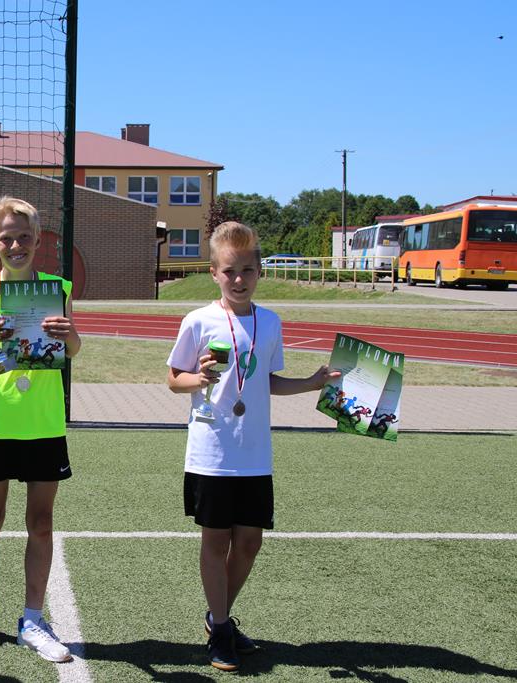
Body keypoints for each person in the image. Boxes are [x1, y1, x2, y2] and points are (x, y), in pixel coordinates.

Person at [166, 221, 340, 672]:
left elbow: (267, 381)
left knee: (249, 543)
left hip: (255, 453)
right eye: (229, 271)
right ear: (213, 272)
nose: (239, 279)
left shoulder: (271, 322)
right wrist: (198, 378)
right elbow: (174, 380)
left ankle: (217, 618)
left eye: (247, 270)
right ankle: (222, 629)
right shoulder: (198, 320)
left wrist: (312, 383)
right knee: (215, 540)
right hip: (212, 451)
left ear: (260, 271)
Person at [0, 195, 81, 663]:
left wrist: (69, 336)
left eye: (24, 237)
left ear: (38, 239)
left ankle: (32, 619)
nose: (15, 245)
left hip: (44, 422)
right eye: (6, 237)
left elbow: (73, 348)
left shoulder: (57, 287)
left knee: (41, 522)